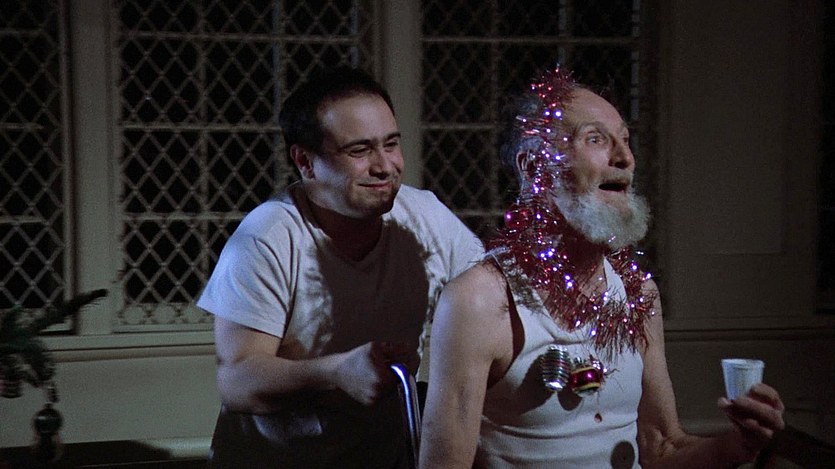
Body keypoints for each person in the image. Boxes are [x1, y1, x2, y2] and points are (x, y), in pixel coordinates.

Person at [418, 67, 785, 468]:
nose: (625, 158)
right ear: (534, 167)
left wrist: (738, 446)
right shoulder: (479, 300)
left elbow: (662, 447)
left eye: (625, 140)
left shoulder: (638, 293)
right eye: (595, 139)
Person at [197, 66, 483, 468]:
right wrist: (335, 372)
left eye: (391, 144)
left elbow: (495, 300)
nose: (385, 166)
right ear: (305, 161)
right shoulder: (267, 236)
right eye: (359, 151)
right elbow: (237, 380)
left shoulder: (426, 216)